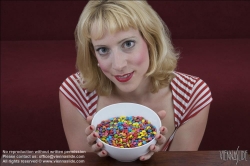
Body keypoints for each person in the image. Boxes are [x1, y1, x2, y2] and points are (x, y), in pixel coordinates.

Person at [59, 0, 212, 161]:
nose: (118, 65)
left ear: (151, 41)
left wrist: (157, 159)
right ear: (93, 54)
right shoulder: (75, 91)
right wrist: (97, 158)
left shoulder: (192, 95)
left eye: (128, 44)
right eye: (103, 50)